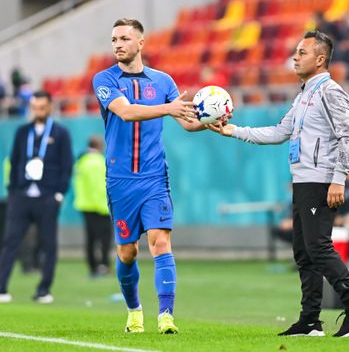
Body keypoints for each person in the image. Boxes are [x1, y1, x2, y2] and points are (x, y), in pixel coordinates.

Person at [211, 30, 349, 338]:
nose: (294, 57)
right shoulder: (304, 95)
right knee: (304, 251)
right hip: (304, 182)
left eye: (301, 52)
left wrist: (338, 179)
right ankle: (311, 320)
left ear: (320, 58)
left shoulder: (331, 91)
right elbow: (277, 132)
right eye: (296, 52)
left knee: (318, 246)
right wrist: (232, 130)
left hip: (321, 181)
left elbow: (348, 136)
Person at [92, 18, 206, 334]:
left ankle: (166, 316)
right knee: (127, 253)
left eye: (125, 38)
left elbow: (186, 122)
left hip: (155, 177)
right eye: (114, 39)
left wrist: (212, 119)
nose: (117, 44)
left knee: (160, 243)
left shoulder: (164, 81)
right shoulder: (104, 79)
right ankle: (134, 312)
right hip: (120, 181)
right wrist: (168, 108)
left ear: (140, 43)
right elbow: (126, 112)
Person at [0, 90, 73, 304]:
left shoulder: (60, 133)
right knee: (10, 242)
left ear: (50, 107)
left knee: (48, 244)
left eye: (42, 107)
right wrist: (13, 191)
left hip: (47, 197)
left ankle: (43, 290)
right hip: (21, 197)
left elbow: (66, 165)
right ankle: (2, 288)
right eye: (34, 107)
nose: (38, 111)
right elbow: (14, 161)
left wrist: (59, 194)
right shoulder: (23, 132)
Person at [74, 135, 112, 277]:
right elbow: (99, 187)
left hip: (85, 205)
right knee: (104, 238)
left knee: (90, 238)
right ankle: (103, 265)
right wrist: (105, 206)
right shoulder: (97, 162)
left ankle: (92, 266)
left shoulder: (81, 161)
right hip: (99, 206)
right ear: (99, 146)